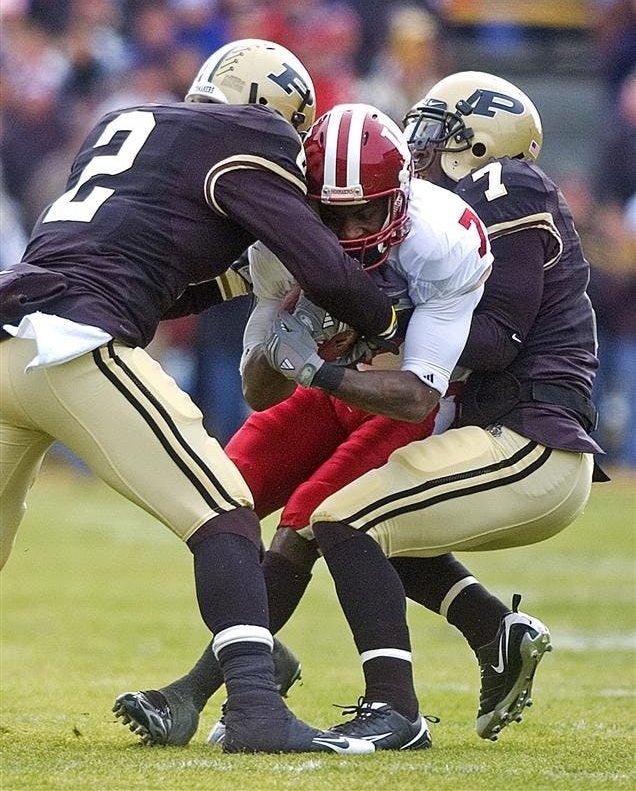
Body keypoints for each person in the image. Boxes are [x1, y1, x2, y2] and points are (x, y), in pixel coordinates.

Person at [137, 74, 605, 751]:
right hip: (472, 419)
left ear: (481, 141)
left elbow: (496, 340)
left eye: (437, 135)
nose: (419, 150)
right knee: (294, 510)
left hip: (527, 429)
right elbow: (250, 325)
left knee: (339, 519)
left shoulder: (496, 194)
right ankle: (489, 630)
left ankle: (381, 706)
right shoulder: (364, 213)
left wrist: (365, 331)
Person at [0, 39, 403, 756]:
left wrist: (236, 283)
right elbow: (326, 271)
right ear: (277, 111)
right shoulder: (251, 134)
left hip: (9, 332)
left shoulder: (121, 123)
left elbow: (157, 270)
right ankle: (254, 708)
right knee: (223, 510)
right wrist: (389, 320)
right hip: (72, 344)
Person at [112, 101, 494, 750]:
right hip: (334, 380)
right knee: (221, 501)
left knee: (321, 515)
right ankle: (252, 670)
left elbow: (413, 396)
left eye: (364, 213)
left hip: (405, 389)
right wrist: (283, 348)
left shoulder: (442, 240)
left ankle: (218, 692)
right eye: (332, 214)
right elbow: (258, 394)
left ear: (399, 198)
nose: (347, 231)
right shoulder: (277, 240)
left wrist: (317, 370)